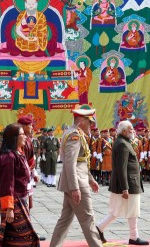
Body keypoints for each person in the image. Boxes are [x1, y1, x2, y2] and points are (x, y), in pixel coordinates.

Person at [49, 104, 102, 247]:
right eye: (90, 121)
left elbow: (81, 161)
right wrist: (75, 188)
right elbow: (70, 163)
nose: (91, 125)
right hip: (77, 183)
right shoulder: (74, 135)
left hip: (77, 181)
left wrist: (91, 179)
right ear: (82, 120)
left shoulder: (72, 132)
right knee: (88, 219)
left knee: (65, 220)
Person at [96, 120, 149, 245]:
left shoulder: (123, 142)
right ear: (124, 131)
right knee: (128, 210)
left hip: (126, 183)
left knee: (117, 211)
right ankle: (133, 237)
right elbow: (121, 167)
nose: (133, 130)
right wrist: (125, 188)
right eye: (130, 129)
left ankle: (99, 228)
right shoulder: (122, 144)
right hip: (128, 184)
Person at [0, 123, 40, 246]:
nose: (25, 137)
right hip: (13, 202)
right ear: (14, 137)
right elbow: (7, 183)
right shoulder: (9, 157)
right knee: (26, 237)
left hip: (21, 199)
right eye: (22, 134)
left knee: (11, 238)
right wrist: (9, 208)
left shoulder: (19, 153)